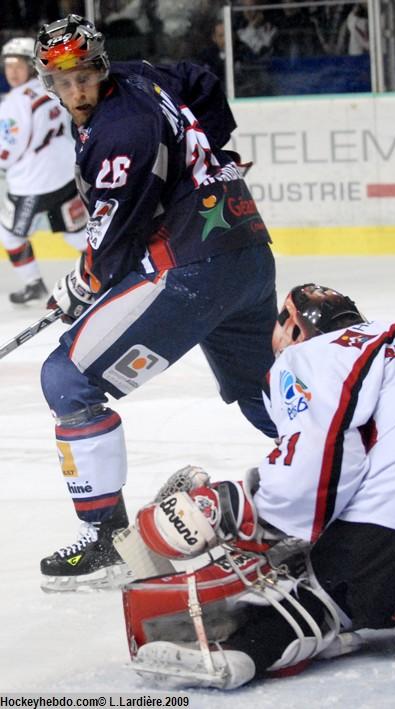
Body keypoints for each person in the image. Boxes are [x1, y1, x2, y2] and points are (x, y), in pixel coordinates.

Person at [33, 14, 278, 591]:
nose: (77, 92)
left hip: (190, 269)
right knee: (260, 387)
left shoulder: (120, 133)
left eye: (85, 75)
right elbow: (199, 79)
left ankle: (107, 542)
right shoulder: (140, 74)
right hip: (245, 249)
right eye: (61, 82)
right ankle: (339, 479)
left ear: (100, 64)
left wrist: (82, 282)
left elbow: (114, 238)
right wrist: (204, 159)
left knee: (68, 380)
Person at [125, 283, 395, 688]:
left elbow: (317, 459)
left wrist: (245, 510)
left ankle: (244, 652)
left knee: (317, 591)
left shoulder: (311, 354)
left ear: (293, 331)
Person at [0, 36, 87, 304]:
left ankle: (33, 284)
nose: (12, 71)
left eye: (19, 65)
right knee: (75, 233)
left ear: (31, 65)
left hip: (33, 184)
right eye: (8, 65)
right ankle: (108, 273)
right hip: (65, 174)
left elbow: (8, 149)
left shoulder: (14, 102)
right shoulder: (52, 85)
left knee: (10, 233)